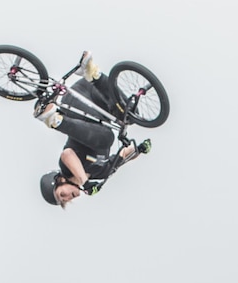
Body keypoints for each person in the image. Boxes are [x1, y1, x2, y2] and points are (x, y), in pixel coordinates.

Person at [35, 52, 152, 208]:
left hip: (77, 104)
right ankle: (92, 73)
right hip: (97, 104)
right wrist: (140, 149)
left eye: (62, 194)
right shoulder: (100, 173)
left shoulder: (68, 170)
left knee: (106, 138)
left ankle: (53, 120)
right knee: (130, 115)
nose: (68, 197)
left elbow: (67, 154)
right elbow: (123, 155)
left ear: (59, 181)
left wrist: (85, 182)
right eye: (66, 200)